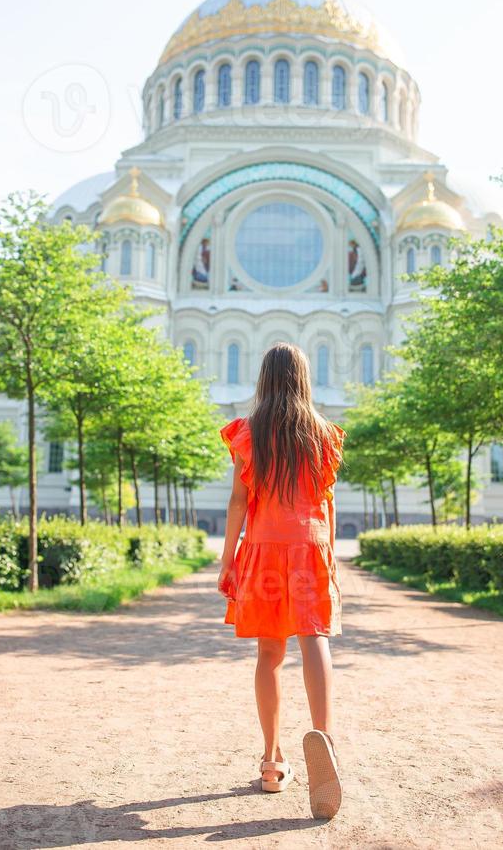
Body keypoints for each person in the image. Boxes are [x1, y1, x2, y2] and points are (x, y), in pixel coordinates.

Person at [217, 343, 345, 819]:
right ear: (304, 380)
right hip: (311, 547)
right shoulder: (324, 434)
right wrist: (329, 556)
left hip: (265, 548)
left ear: (264, 379)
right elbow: (328, 503)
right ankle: (324, 746)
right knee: (316, 639)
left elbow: (237, 503)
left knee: (270, 654)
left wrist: (227, 558)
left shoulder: (249, 434)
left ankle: (272, 763)